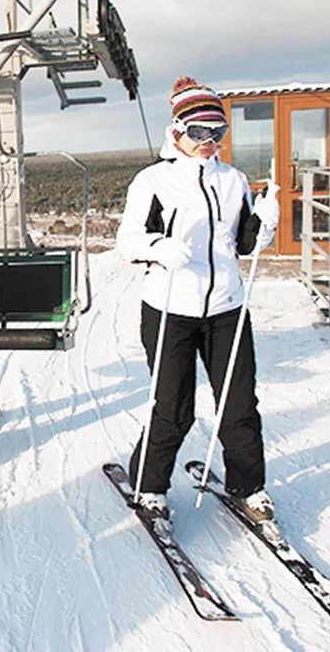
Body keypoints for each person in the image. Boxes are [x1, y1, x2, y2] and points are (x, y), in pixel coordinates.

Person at [115, 76, 281, 524]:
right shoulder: (153, 181)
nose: (209, 141)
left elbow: (243, 245)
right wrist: (157, 247)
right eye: (198, 131)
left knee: (238, 404)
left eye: (217, 131)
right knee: (173, 407)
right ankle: (150, 486)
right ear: (177, 131)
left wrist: (264, 225)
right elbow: (127, 241)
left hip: (227, 307)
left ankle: (249, 486)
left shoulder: (233, 180)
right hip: (170, 308)